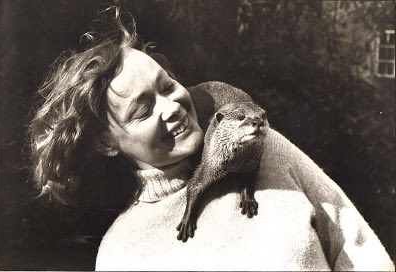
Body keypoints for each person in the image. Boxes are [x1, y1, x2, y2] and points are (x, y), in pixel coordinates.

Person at [30, 7, 394, 271]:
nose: (171, 106)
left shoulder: (267, 149)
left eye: (168, 86)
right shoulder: (119, 253)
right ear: (106, 144)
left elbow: (361, 252)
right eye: (142, 110)